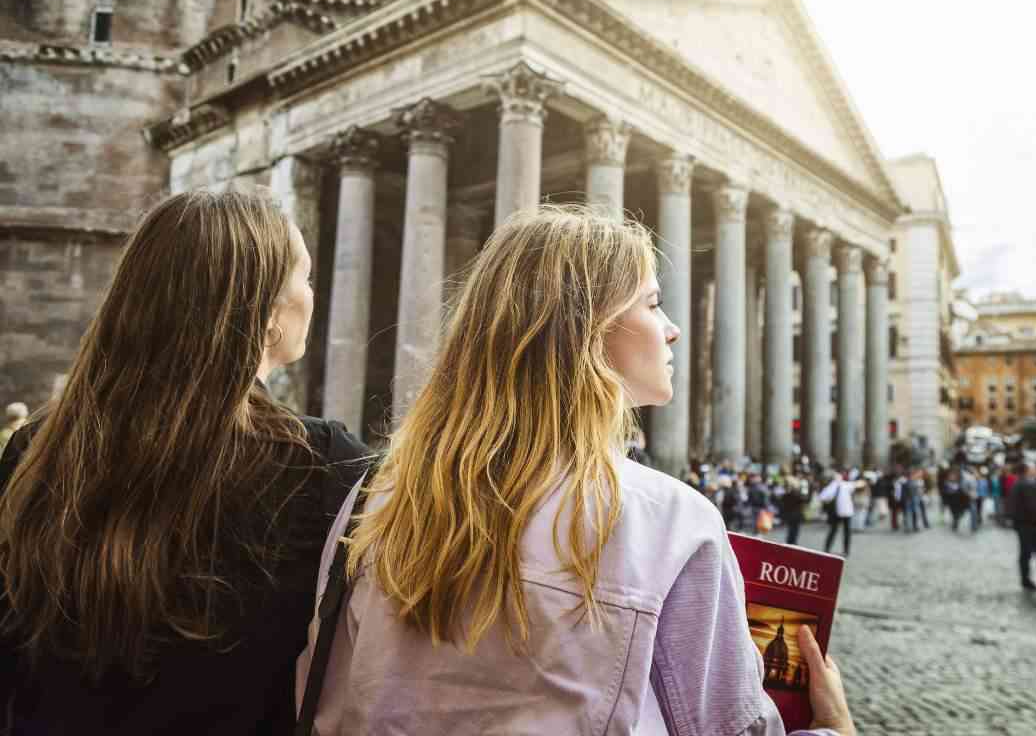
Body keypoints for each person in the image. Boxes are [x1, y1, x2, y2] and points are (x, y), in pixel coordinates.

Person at [295, 206, 856, 735]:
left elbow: (326, 699)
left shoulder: (375, 494)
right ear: (590, 330)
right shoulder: (669, 523)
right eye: (653, 302)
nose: (673, 328)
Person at [0, 189, 373, 734]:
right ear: (268, 311)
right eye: (307, 277)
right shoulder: (321, 464)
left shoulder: (39, 444)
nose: (312, 295)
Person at [1007, 463, 1036, 591]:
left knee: (1026, 553)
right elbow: (1034, 507)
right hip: (1030, 525)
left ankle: (1026, 580)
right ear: (1028, 470)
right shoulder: (1028, 484)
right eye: (1033, 469)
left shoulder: (1019, 483)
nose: (1035, 471)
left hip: (1023, 524)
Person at [820, 469, 857, 556]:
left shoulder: (833, 485)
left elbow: (823, 497)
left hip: (838, 512)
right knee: (846, 532)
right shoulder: (846, 485)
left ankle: (827, 548)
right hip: (846, 512)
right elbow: (855, 486)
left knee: (834, 530)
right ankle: (846, 550)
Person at [779, 473, 810, 545]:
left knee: (791, 529)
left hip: (789, 514)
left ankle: (790, 543)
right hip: (795, 514)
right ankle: (792, 543)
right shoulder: (795, 493)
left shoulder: (786, 493)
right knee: (794, 530)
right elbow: (804, 499)